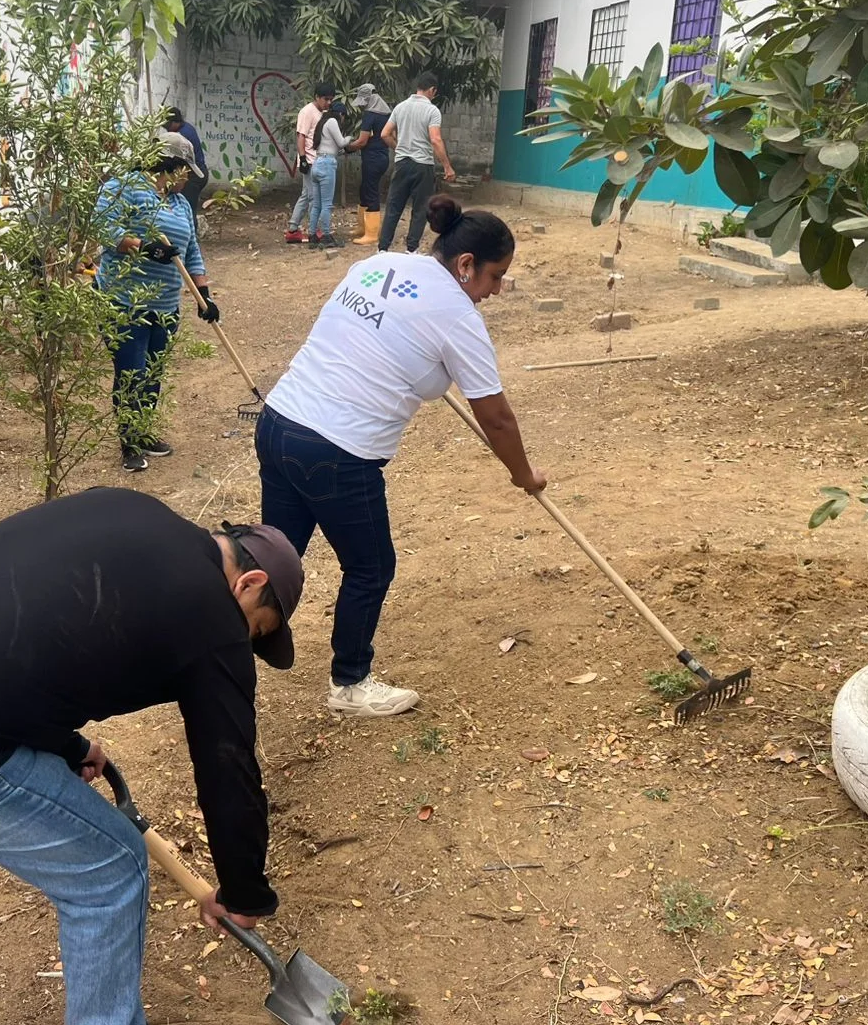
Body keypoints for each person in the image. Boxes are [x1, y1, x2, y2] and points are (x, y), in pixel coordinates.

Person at [0, 487, 305, 1025]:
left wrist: (70, 747)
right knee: (110, 871)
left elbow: (15, 642)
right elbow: (227, 764)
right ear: (250, 583)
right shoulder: (213, 616)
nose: (242, 642)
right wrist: (243, 892)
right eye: (255, 629)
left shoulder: (130, 508)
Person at [256, 196, 546, 717]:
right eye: (495, 277)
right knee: (371, 566)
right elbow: (498, 419)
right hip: (336, 452)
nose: (497, 290)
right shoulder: (458, 315)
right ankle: (351, 684)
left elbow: (372, 339)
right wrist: (523, 475)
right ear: (465, 265)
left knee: (272, 559)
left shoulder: (378, 264)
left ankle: (215, 648)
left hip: (280, 423)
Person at [95, 130, 219, 473]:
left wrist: (203, 293)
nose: (186, 182)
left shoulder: (179, 205)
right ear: (170, 165)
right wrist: (142, 246)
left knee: (152, 373)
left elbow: (191, 250)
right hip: (124, 302)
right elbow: (104, 229)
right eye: (184, 172)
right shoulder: (124, 188)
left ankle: (144, 431)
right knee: (131, 372)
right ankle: (129, 443)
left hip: (164, 306)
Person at [378, 73, 457, 253]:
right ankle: (411, 249)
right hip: (423, 165)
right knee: (420, 208)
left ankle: (382, 248)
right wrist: (447, 166)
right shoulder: (432, 111)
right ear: (432, 90)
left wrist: (398, 148)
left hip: (402, 164)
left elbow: (384, 134)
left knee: (393, 206)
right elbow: (435, 140)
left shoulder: (400, 107)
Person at [285, 82, 335, 244]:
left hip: (318, 159)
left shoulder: (323, 113)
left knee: (307, 195)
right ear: (317, 97)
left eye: (331, 100)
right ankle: (316, 230)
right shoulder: (307, 112)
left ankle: (293, 229)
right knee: (314, 197)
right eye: (325, 99)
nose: (328, 103)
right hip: (311, 160)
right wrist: (303, 158)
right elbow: (301, 136)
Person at [305, 101, 358, 249]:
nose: (343, 120)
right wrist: (350, 138)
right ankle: (326, 236)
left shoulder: (323, 122)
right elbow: (341, 143)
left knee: (316, 205)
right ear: (340, 114)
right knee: (327, 204)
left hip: (317, 163)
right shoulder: (333, 121)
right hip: (327, 165)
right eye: (343, 117)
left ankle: (312, 235)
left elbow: (332, 147)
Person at [350, 84, 392, 246]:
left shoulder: (370, 115)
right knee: (365, 189)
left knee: (371, 192)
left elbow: (362, 141)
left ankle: (371, 233)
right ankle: (363, 227)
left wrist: (347, 147)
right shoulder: (386, 114)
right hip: (382, 157)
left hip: (372, 159)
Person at [164, 107, 208, 224]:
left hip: (193, 174)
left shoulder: (181, 136)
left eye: (167, 125)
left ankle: (191, 236)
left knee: (187, 209)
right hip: (198, 172)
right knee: (189, 208)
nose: (166, 128)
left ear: (174, 122)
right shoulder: (187, 127)